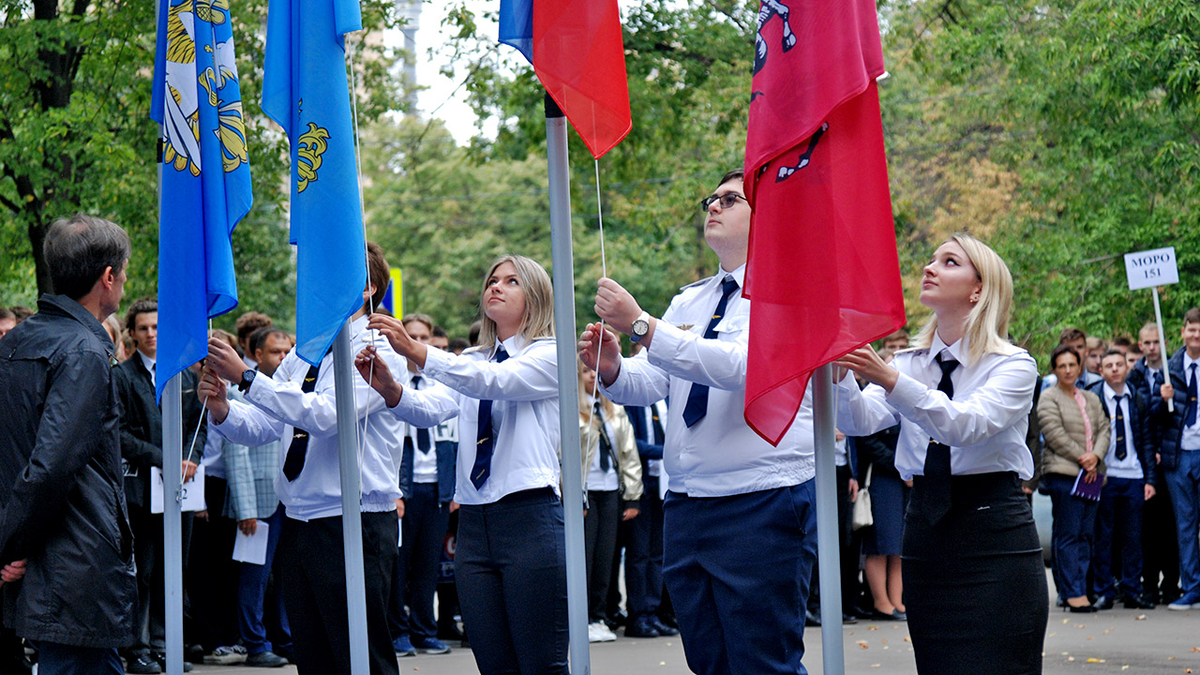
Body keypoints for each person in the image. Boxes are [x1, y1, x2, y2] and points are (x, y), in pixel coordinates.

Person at [579, 169, 818, 675]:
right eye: (713, 198)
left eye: (731, 199)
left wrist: (643, 325)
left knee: (764, 662)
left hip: (759, 497)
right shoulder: (690, 300)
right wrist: (613, 367)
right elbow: (654, 380)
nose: (714, 206)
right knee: (708, 660)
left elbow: (742, 367)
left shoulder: (788, 290)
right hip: (688, 500)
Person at [833, 233, 1046, 674]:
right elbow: (858, 420)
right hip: (925, 530)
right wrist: (841, 377)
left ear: (979, 289)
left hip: (995, 531)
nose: (929, 268)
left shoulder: (1013, 364)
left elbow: (964, 425)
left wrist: (890, 380)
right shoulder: (909, 362)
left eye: (949, 262)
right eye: (932, 260)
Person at [198, 242, 405, 675]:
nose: (318, 281)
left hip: (353, 519)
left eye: (332, 270)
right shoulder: (306, 350)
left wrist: (248, 377)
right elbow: (265, 424)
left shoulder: (379, 347)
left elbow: (327, 415)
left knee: (361, 655)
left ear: (367, 288)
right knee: (313, 656)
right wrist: (223, 407)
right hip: (299, 519)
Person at [356, 254, 568, 675]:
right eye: (492, 280)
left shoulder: (550, 353)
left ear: (537, 295)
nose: (496, 286)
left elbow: (497, 382)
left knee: (542, 663)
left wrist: (416, 350)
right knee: (493, 662)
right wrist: (391, 389)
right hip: (473, 521)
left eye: (512, 281)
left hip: (529, 517)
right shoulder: (473, 358)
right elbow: (430, 409)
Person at [0, 214, 137, 674]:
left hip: (46, 557)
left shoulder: (17, 340)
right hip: (71, 561)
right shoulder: (83, 350)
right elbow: (52, 465)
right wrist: (11, 545)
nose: (125, 281)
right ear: (108, 277)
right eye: (124, 270)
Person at [114, 296, 206, 674]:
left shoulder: (185, 375)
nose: (151, 334)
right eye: (144, 328)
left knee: (174, 569)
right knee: (144, 569)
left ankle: (167, 644)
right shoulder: (121, 377)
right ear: (132, 334)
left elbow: (198, 424)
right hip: (141, 489)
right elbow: (119, 433)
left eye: (156, 327)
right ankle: (138, 647)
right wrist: (163, 457)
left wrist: (190, 458)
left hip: (180, 489)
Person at [217, 326, 292, 667]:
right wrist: (245, 508)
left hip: (291, 499)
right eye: (276, 351)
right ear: (257, 355)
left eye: (287, 350)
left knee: (288, 575)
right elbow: (236, 454)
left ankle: (286, 639)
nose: (283, 356)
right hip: (259, 502)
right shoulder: (239, 394)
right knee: (254, 577)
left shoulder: (292, 391)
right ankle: (256, 644)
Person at [388, 313, 454, 658]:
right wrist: (394, 490)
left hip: (437, 489)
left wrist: (453, 489)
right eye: (411, 335)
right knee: (399, 566)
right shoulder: (391, 379)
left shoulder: (441, 382)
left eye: (424, 337)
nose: (418, 342)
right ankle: (398, 633)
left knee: (429, 566)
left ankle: (424, 630)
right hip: (404, 490)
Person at [1038, 343, 1109, 613]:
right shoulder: (1049, 398)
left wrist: (1096, 456)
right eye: (1062, 366)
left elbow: (1104, 428)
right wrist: (1083, 457)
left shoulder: (1091, 398)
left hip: (1092, 476)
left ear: (1080, 367)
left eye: (1072, 365)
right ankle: (1072, 593)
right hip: (1065, 474)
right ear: (1054, 370)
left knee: (1086, 535)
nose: (1068, 370)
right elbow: (1054, 433)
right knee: (1068, 534)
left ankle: (1081, 589)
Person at [1085, 349, 1157, 610]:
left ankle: (1132, 590)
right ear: (1101, 371)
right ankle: (1103, 591)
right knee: (1103, 536)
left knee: (1133, 537)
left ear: (1128, 368)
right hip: (1104, 476)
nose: (1115, 369)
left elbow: (1146, 441)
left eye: (1119, 364)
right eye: (1109, 365)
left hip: (1133, 475)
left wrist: (1150, 479)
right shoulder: (1093, 398)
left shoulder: (1137, 398)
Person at [577, 358, 642, 642]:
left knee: (606, 558)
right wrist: (572, 495)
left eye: (596, 371)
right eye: (586, 371)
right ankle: (581, 618)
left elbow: (629, 454)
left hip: (610, 491)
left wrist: (632, 497)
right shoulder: (570, 410)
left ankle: (598, 616)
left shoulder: (614, 410)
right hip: (584, 492)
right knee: (584, 558)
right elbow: (562, 455)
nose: (592, 376)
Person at [1154, 307, 1200, 610]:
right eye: (1192, 329)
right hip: (1179, 454)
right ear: (1183, 332)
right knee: (1185, 524)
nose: (1196, 335)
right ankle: (1192, 587)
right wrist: (1163, 399)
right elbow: (1155, 415)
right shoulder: (1169, 369)